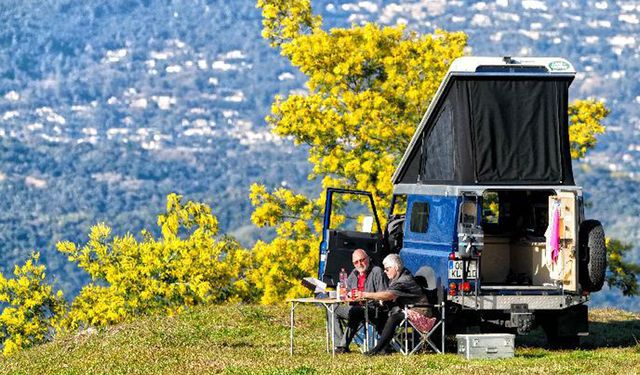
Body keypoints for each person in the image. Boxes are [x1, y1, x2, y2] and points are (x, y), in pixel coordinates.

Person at [361, 253, 429, 356]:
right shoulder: (398, 277)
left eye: (387, 269)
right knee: (381, 313)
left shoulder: (404, 280)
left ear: (396, 268)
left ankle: (377, 349)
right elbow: (391, 294)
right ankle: (385, 348)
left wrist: (364, 294)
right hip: (408, 309)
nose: (385, 271)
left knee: (394, 318)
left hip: (420, 311)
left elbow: (389, 295)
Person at [333, 249, 388, 353]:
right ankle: (339, 344)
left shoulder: (377, 271)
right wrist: (348, 294)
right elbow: (346, 291)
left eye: (362, 260)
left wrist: (365, 296)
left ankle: (342, 346)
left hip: (373, 309)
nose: (360, 264)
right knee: (332, 309)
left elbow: (384, 295)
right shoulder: (354, 273)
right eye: (356, 262)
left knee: (356, 311)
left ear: (368, 259)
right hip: (355, 307)